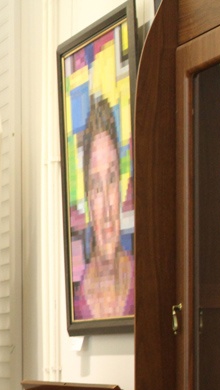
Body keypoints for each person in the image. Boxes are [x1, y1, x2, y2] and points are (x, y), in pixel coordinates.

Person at [72, 96, 134, 321]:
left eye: (111, 179)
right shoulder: (77, 305)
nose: (107, 207)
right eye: (97, 187)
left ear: (121, 185)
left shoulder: (143, 281)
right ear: (88, 198)